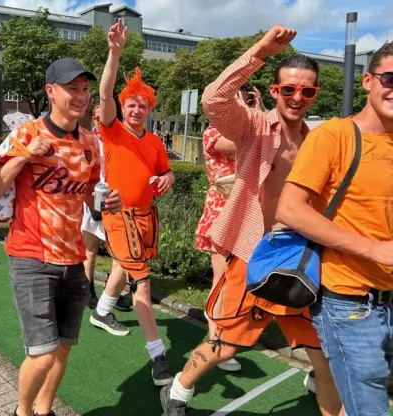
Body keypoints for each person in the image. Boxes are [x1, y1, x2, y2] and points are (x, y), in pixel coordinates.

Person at [160, 25, 341, 416]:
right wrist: (259, 50)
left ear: (315, 95)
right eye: (288, 89)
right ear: (275, 91)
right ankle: (179, 388)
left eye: (307, 91)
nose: (297, 97)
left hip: (297, 256)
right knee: (226, 343)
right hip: (251, 250)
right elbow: (214, 99)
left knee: (322, 354)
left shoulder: (316, 140)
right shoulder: (255, 126)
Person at [0, 58, 122, 416]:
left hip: (74, 261)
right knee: (41, 356)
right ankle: (22, 412)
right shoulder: (27, 134)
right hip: (31, 257)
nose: (81, 96)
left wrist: (107, 200)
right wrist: (25, 156)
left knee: (62, 349)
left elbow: (89, 194)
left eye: (85, 90)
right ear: (51, 92)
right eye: (72, 88)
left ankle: (45, 410)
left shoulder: (90, 143)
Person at [276, 42, 393, 416]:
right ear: (368, 81)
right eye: (390, 78)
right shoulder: (334, 135)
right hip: (350, 303)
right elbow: (290, 209)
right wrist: (373, 249)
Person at [92, 19, 176, 387]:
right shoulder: (111, 129)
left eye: (142, 105)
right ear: (123, 107)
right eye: (131, 104)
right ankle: (158, 355)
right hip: (117, 215)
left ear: (149, 109)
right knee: (142, 283)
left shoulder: (156, 142)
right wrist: (114, 52)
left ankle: (102, 310)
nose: (135, 109)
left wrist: (168, 179)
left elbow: (166, 173)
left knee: (124, 268)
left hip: (146, 216)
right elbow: (105, 94)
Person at [195, 88, 265, 373]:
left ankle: (227, 334)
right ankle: (216, 340)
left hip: (244, 212)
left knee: (237, 278)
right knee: (222, 279)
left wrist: (256, 111)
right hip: (221, 211)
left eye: (244, 100)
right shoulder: (213, 133)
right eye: (236, 101)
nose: (242, 105)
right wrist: (255, 114)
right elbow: (244, 143)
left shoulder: (245, 130)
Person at [82, 104, 131, 312]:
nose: (99, 121)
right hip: (93, 198)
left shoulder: (120, 139)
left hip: (116, 201)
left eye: (104, 117)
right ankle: (87, 291)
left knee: (117, 253)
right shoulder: (87, 141)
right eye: (96, 117)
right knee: (90, 250)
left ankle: (112, 293)